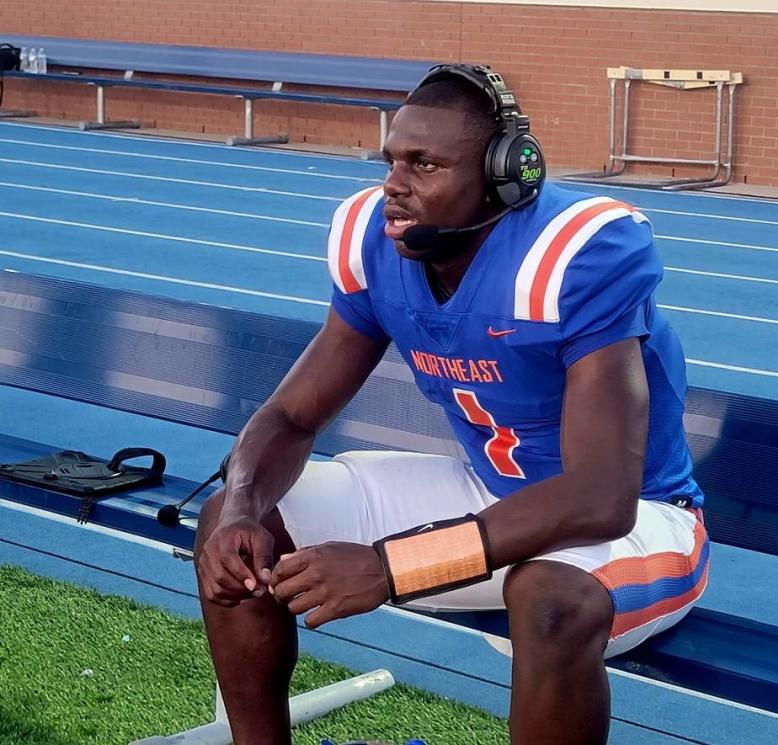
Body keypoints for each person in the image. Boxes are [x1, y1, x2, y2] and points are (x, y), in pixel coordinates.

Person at [194, 64, 708, 745]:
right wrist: (239, 509)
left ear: (505, 176)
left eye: (425, 164)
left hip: (637, 522)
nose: (394, 186)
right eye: (392, 161)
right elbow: (292, 417)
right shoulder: (380, 244)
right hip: (490, 494)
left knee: (549, 598)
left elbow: (600, 498)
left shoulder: (573, 256)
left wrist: (390, 565)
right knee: (235, 522)